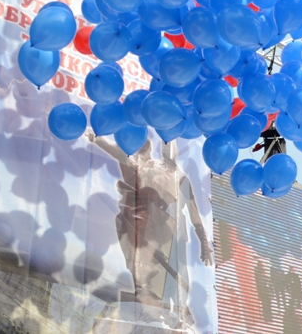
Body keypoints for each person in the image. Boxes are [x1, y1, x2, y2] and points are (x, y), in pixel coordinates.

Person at [89, 133, 213, 328]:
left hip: (170, 232)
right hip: (148, 228)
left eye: (168, 145)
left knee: (176, 273)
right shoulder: (147, 168)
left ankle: (179, 313)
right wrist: (96, 138)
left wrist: (204, 241)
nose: (165, 148)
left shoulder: (179, 177)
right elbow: (118, 154)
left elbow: (194, 212)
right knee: (144, 266)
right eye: (163, 145)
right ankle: (147, 299)